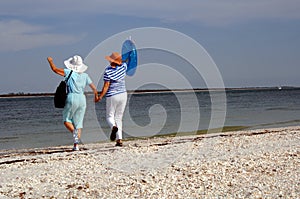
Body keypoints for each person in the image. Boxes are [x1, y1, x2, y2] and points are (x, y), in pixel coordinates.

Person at [47, 55, 98, 151]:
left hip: (72, 97)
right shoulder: (85, 75)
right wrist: (96, 96)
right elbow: (94, 88)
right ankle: (76, 145)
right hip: (82, 99)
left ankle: (74, 134)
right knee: (78, 123)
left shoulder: (68, 72)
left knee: (67, 120)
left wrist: (50, 61)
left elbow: (55, 70)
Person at [96, 52, 127, 147]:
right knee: (119, 117)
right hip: (123, 94)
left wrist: (100, 96)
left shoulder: (107, 71)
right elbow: (129, 59)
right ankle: (119, 140)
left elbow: (106, 86)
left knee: (110, 116)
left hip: (112, 95)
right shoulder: (123, 67)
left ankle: (113, 127)